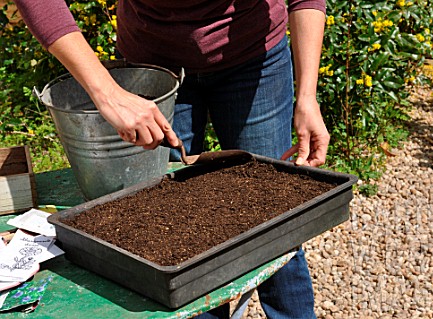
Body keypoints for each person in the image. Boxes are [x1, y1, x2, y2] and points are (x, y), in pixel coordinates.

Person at [14, 0, 329, 317]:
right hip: (152, 69)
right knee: (171, 231)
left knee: (276, 219)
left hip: (254, 59)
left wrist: (307, 96)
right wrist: (107, 93)